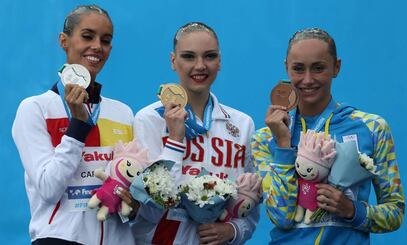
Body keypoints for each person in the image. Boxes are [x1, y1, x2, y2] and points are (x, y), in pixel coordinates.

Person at [251, 28, 405, 244]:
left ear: (336, 67)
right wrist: (283, 147)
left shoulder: (372, 127)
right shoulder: (264, 138)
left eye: (318, 68)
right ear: (286, 68)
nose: (307, 79)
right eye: (298, 69)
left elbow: (395, 212)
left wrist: (353, 211)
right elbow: (280, 217)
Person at [12, 5, 136, 244]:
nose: (97, 47)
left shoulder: (122, 113)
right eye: (87, 36)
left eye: (106, 40)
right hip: (60, 239)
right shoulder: (35, 108)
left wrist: (135, 204)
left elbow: (129, 181)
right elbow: (48, 188)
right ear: (64, 41)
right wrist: (78, 126)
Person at [130, 22, 259, 244]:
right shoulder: (149, 118)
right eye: (189, 57)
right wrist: (175, 141)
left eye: (209, 56)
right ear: (173, 61)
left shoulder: (242, 124)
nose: (200, 66)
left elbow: (250, 201)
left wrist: (233, 230)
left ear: (219, 61)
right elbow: (149, 204)